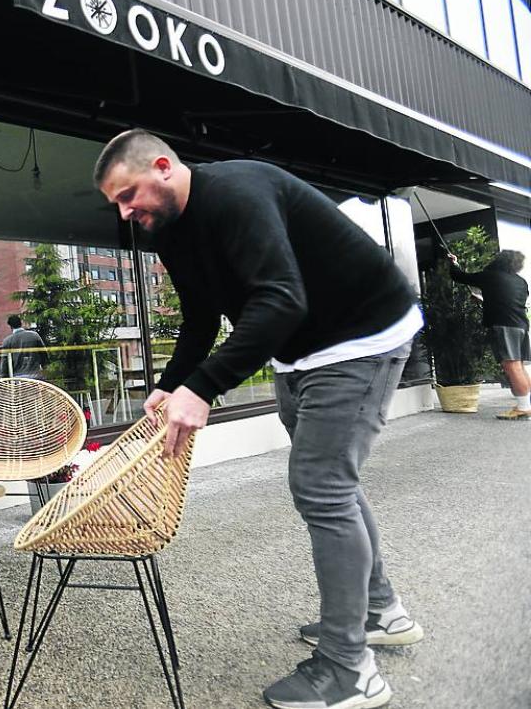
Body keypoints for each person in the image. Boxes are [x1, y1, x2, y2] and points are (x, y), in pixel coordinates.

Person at [95, 130, 424, 709]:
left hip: (362, 336)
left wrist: (204, 389)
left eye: (128, 195)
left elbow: (280, 296)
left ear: (164, 167)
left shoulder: (238, 193)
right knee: (333, 486)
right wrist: (172, 382)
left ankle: (352, 671)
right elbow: (200, 316)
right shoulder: (170, 229)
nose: (125, 212)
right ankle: (380, 613)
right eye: (117, 204)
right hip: (299, 349)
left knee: (321, 487)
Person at [448, 249, 531, 420]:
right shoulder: (521, 282)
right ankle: (525, 404)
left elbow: (460, 276)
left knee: (512, 366)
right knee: (519, 366)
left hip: (504, 325)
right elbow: (507, 301)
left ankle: (524, 407)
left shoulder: (490, 276)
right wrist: (484, 300)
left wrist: (454, 262)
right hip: (521, 325)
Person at [0, 314, 46, 379]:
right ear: (21, 323)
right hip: (36, 376)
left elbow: (4, 363)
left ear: (10, 326)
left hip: (19, 379)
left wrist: (3, 378)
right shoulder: (34, 335)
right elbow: (43, 354)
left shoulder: (7, 341)